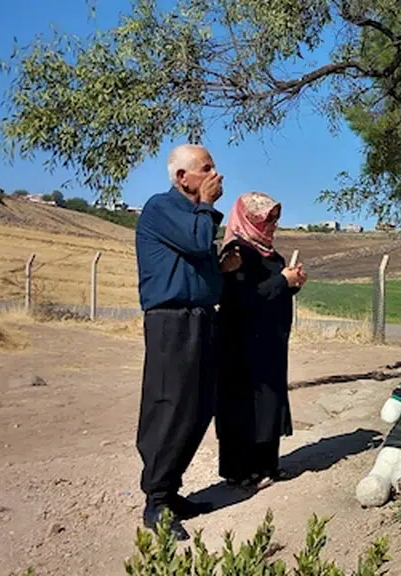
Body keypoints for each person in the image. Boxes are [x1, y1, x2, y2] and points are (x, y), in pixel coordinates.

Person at [133, 144, 225, 539]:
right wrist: (207, 206)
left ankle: (171, 491)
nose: (215, 174)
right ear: (182, 177)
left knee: (198, 406)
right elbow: (196, 243)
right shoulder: (162, 208)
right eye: (206, 168)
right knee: (169, 405)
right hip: (171, 321)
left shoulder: (195, 217)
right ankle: (156, 501)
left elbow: (199, 259)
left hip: (201, 318)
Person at [214, 192, 307, 490]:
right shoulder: (237, 254)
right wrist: (282, 281)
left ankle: (267, 466)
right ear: (250, 220)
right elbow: (243, 299)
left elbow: (270, 293)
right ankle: (240, 471)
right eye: (267, 220)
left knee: (268, 403)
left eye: (275, 219)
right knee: (243, 404)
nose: (273, 226)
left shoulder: (270, 254)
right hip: (241, 344)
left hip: (270, 342)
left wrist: (292, 284)